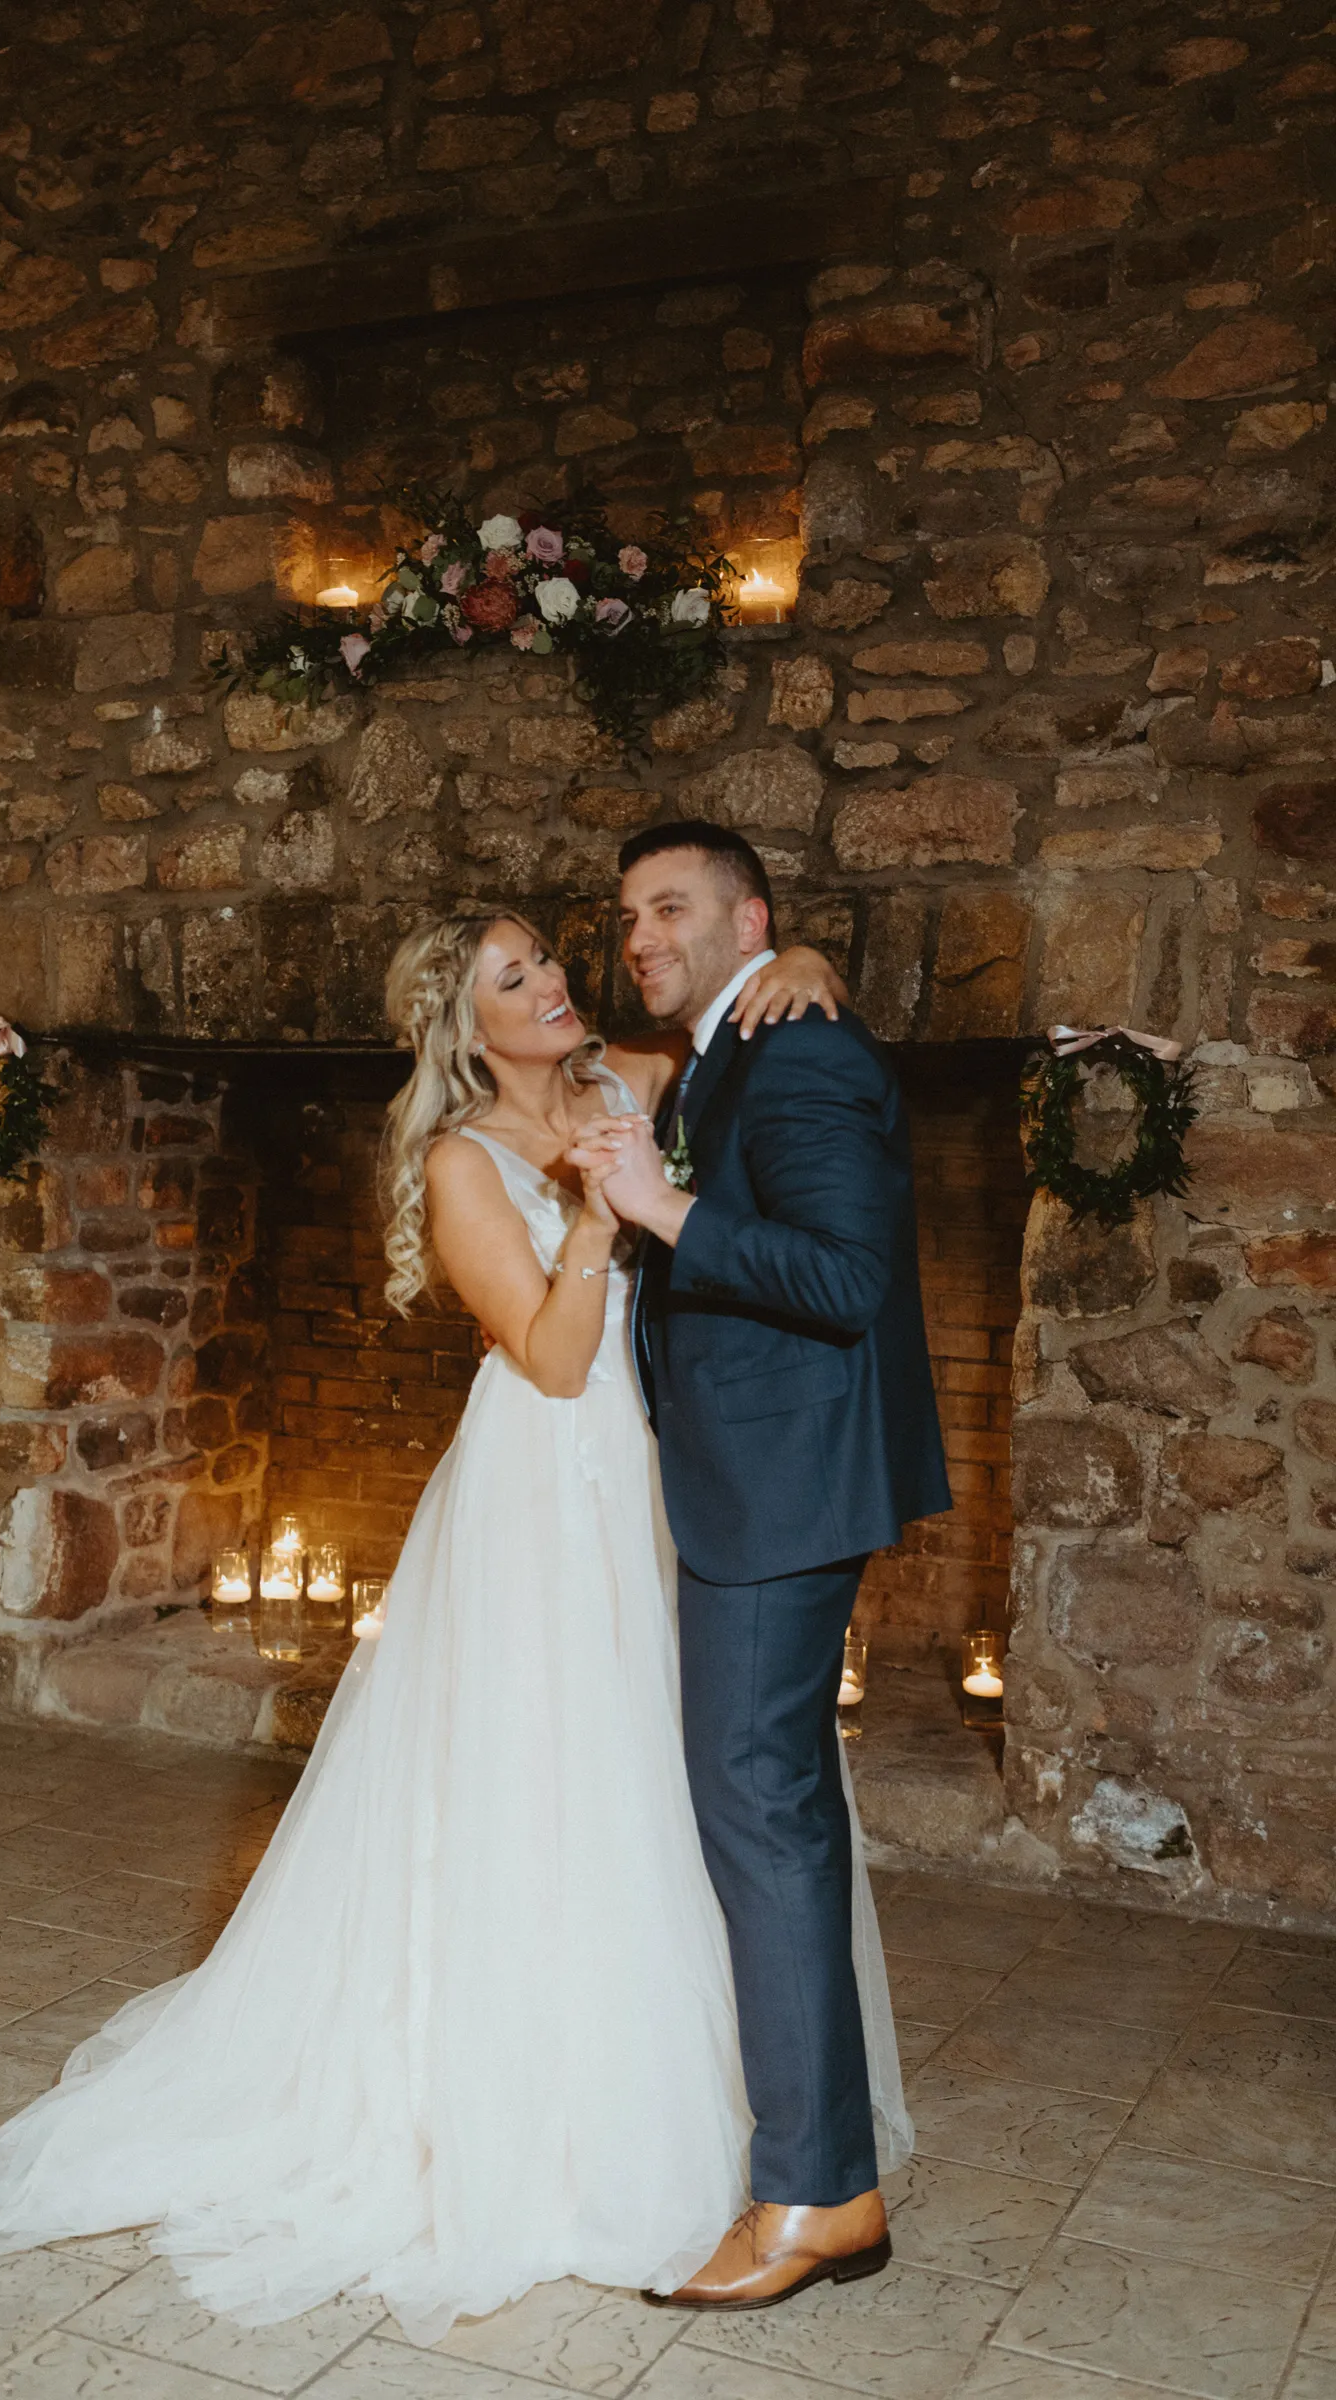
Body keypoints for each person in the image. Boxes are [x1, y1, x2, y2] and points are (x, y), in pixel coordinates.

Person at [0, 907, 912, 2344]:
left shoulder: (632, 1085)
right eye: (513, 980)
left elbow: (733, 1023)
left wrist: (806, 972)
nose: (553, 985)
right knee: (543, 1782)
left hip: (666, 1474)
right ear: (463, 1030)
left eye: (546, 962)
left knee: (678, 1777)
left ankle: (749, 2121)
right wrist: (599, 1217)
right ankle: (528, 2117)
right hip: (546, 1481)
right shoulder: (461, 1164)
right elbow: (553, 1349)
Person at [569, 821, 949, 2312]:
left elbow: (849, 1281)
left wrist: (665, 1213)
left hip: (785, 1493)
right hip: (761, 1482)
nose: (641, 935)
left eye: (673, 908)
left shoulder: (799, 1053)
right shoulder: (742, 1039)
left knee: (762, 1812)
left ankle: (814, 2198)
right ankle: (824, 2175)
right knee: (762, 1808)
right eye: (628, 916)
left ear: (753, 916)